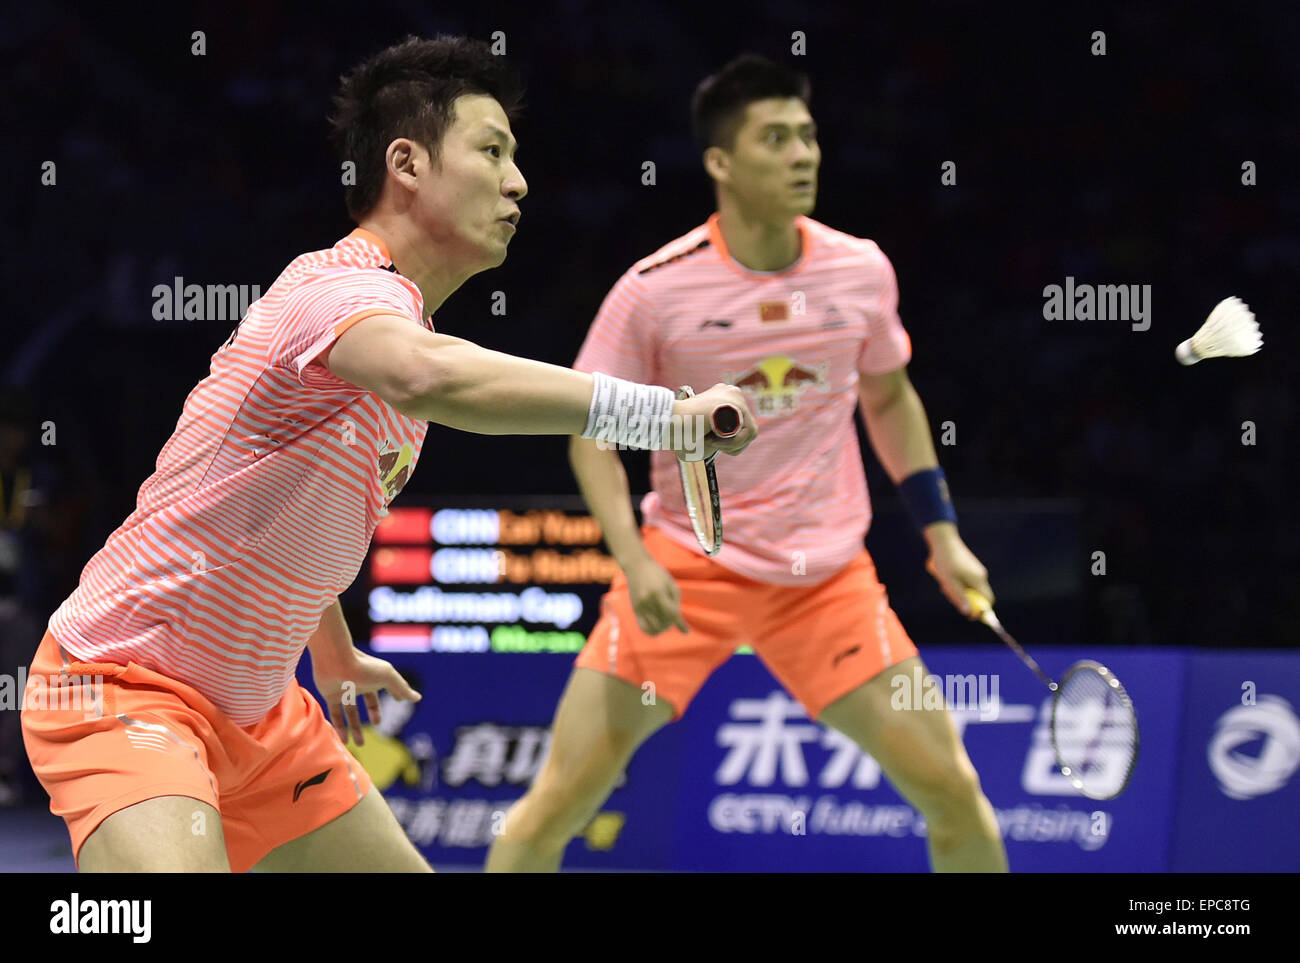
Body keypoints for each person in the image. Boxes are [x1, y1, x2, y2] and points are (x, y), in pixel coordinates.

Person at [20, 35, 755, 874]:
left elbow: (282, 513)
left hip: (263, 719)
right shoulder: (342, 294)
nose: (518, 182)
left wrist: (329, 649)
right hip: (124, 685)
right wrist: (665, 415)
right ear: (406, 162)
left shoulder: (394, 340)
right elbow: (429, 376)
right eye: (491, 151)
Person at [487, 54, 1008, 873]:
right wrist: (632, 559)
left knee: (952, 789)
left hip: (828, 580)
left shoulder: (860, 269)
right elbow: (590, 432)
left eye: (807, 136)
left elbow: (890, 397)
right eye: (776, 138)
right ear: (721, 162)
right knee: (557, 802)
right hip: (685, 568)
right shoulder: (655, 290)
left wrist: (941, 533)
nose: (803, 154)